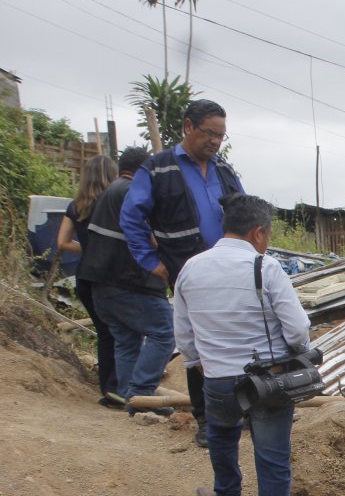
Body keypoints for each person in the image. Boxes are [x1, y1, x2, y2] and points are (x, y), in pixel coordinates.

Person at [174, 193, 309, 496]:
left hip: (216, 378)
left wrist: (198, 362)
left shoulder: (191, 268)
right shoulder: (265, 269)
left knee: (221, 432)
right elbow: (298, 330)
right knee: (272, 461)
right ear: (259, 232)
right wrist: (293, 356)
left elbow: (183, 331)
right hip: (266, 383)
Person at [120, 99, 244, 447]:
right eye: (209, 133)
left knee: (234, 338)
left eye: (221, 135)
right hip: (188, 272)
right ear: (188, 127)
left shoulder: (224, 171)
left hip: (230, 272)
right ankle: (207, 420)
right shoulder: (158, 169)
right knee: (197, 346)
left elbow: (245, 213)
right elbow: (131, 217)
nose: (215, 142)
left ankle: (238, 411)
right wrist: (149, 261)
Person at [76, 147, 175, 416]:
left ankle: (130, 397)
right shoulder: (132, 192)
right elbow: (153, 235)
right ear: (144, 171)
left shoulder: (109, 192)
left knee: (127, 340)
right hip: (129, 283)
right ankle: (141, 392)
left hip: (101, 285)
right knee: (164, 332)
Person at [57, 154, 120, 408]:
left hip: (84, 277)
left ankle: (107, 388)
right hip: (111, 276)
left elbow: (62, 242)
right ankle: (121, 387)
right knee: (122, 333)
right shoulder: (114, 204)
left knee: (104, 333)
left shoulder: (76, 206)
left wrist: (89, 248)